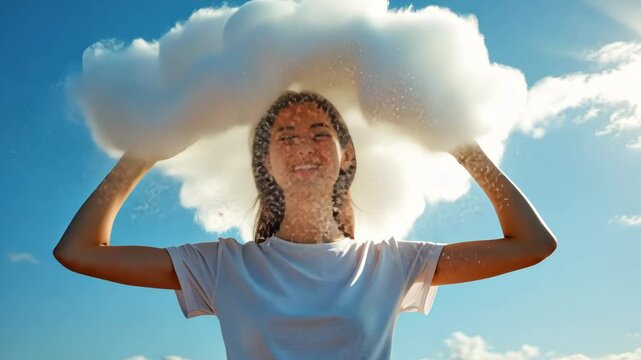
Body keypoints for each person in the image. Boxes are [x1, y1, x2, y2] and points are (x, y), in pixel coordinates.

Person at [53, 90, 557, 359]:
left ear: (346, 155)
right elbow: (80, 252)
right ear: (265, 163)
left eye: (319, 133)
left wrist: (463, 147)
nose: (302, 146)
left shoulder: (393, 262)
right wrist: (141, 157)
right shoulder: (222, 266)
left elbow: (531, 244)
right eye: (284, 137)